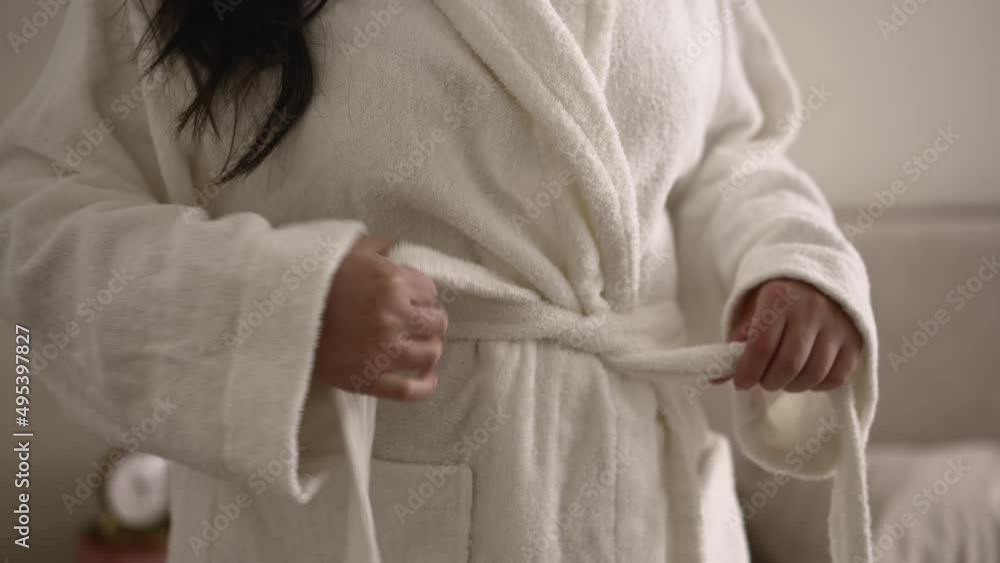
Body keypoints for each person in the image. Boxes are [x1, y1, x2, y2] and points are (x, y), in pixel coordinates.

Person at [0, 0, 878, 562]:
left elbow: (728, 149)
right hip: (352, 517)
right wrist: (279, 305)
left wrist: (788, 259)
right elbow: (37, 217)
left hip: (651, 507)